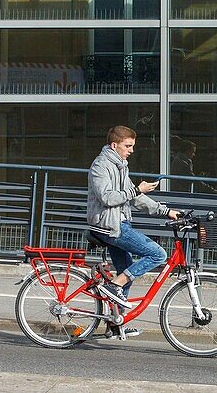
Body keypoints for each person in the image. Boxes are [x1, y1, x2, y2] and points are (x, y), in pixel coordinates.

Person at [87, 125, 181, 339]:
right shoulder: (101, 165)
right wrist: (137, 189)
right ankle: (114, 287)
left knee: (126, 270)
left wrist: (166, 211)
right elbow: (107, 197)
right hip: (108, 226)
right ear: (114, 145)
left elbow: (135, 198)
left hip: (116, 224)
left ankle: (116, 322)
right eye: (128, 146)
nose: (131, 150)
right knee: (158, 254)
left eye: (132, 146)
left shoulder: (120, 166)